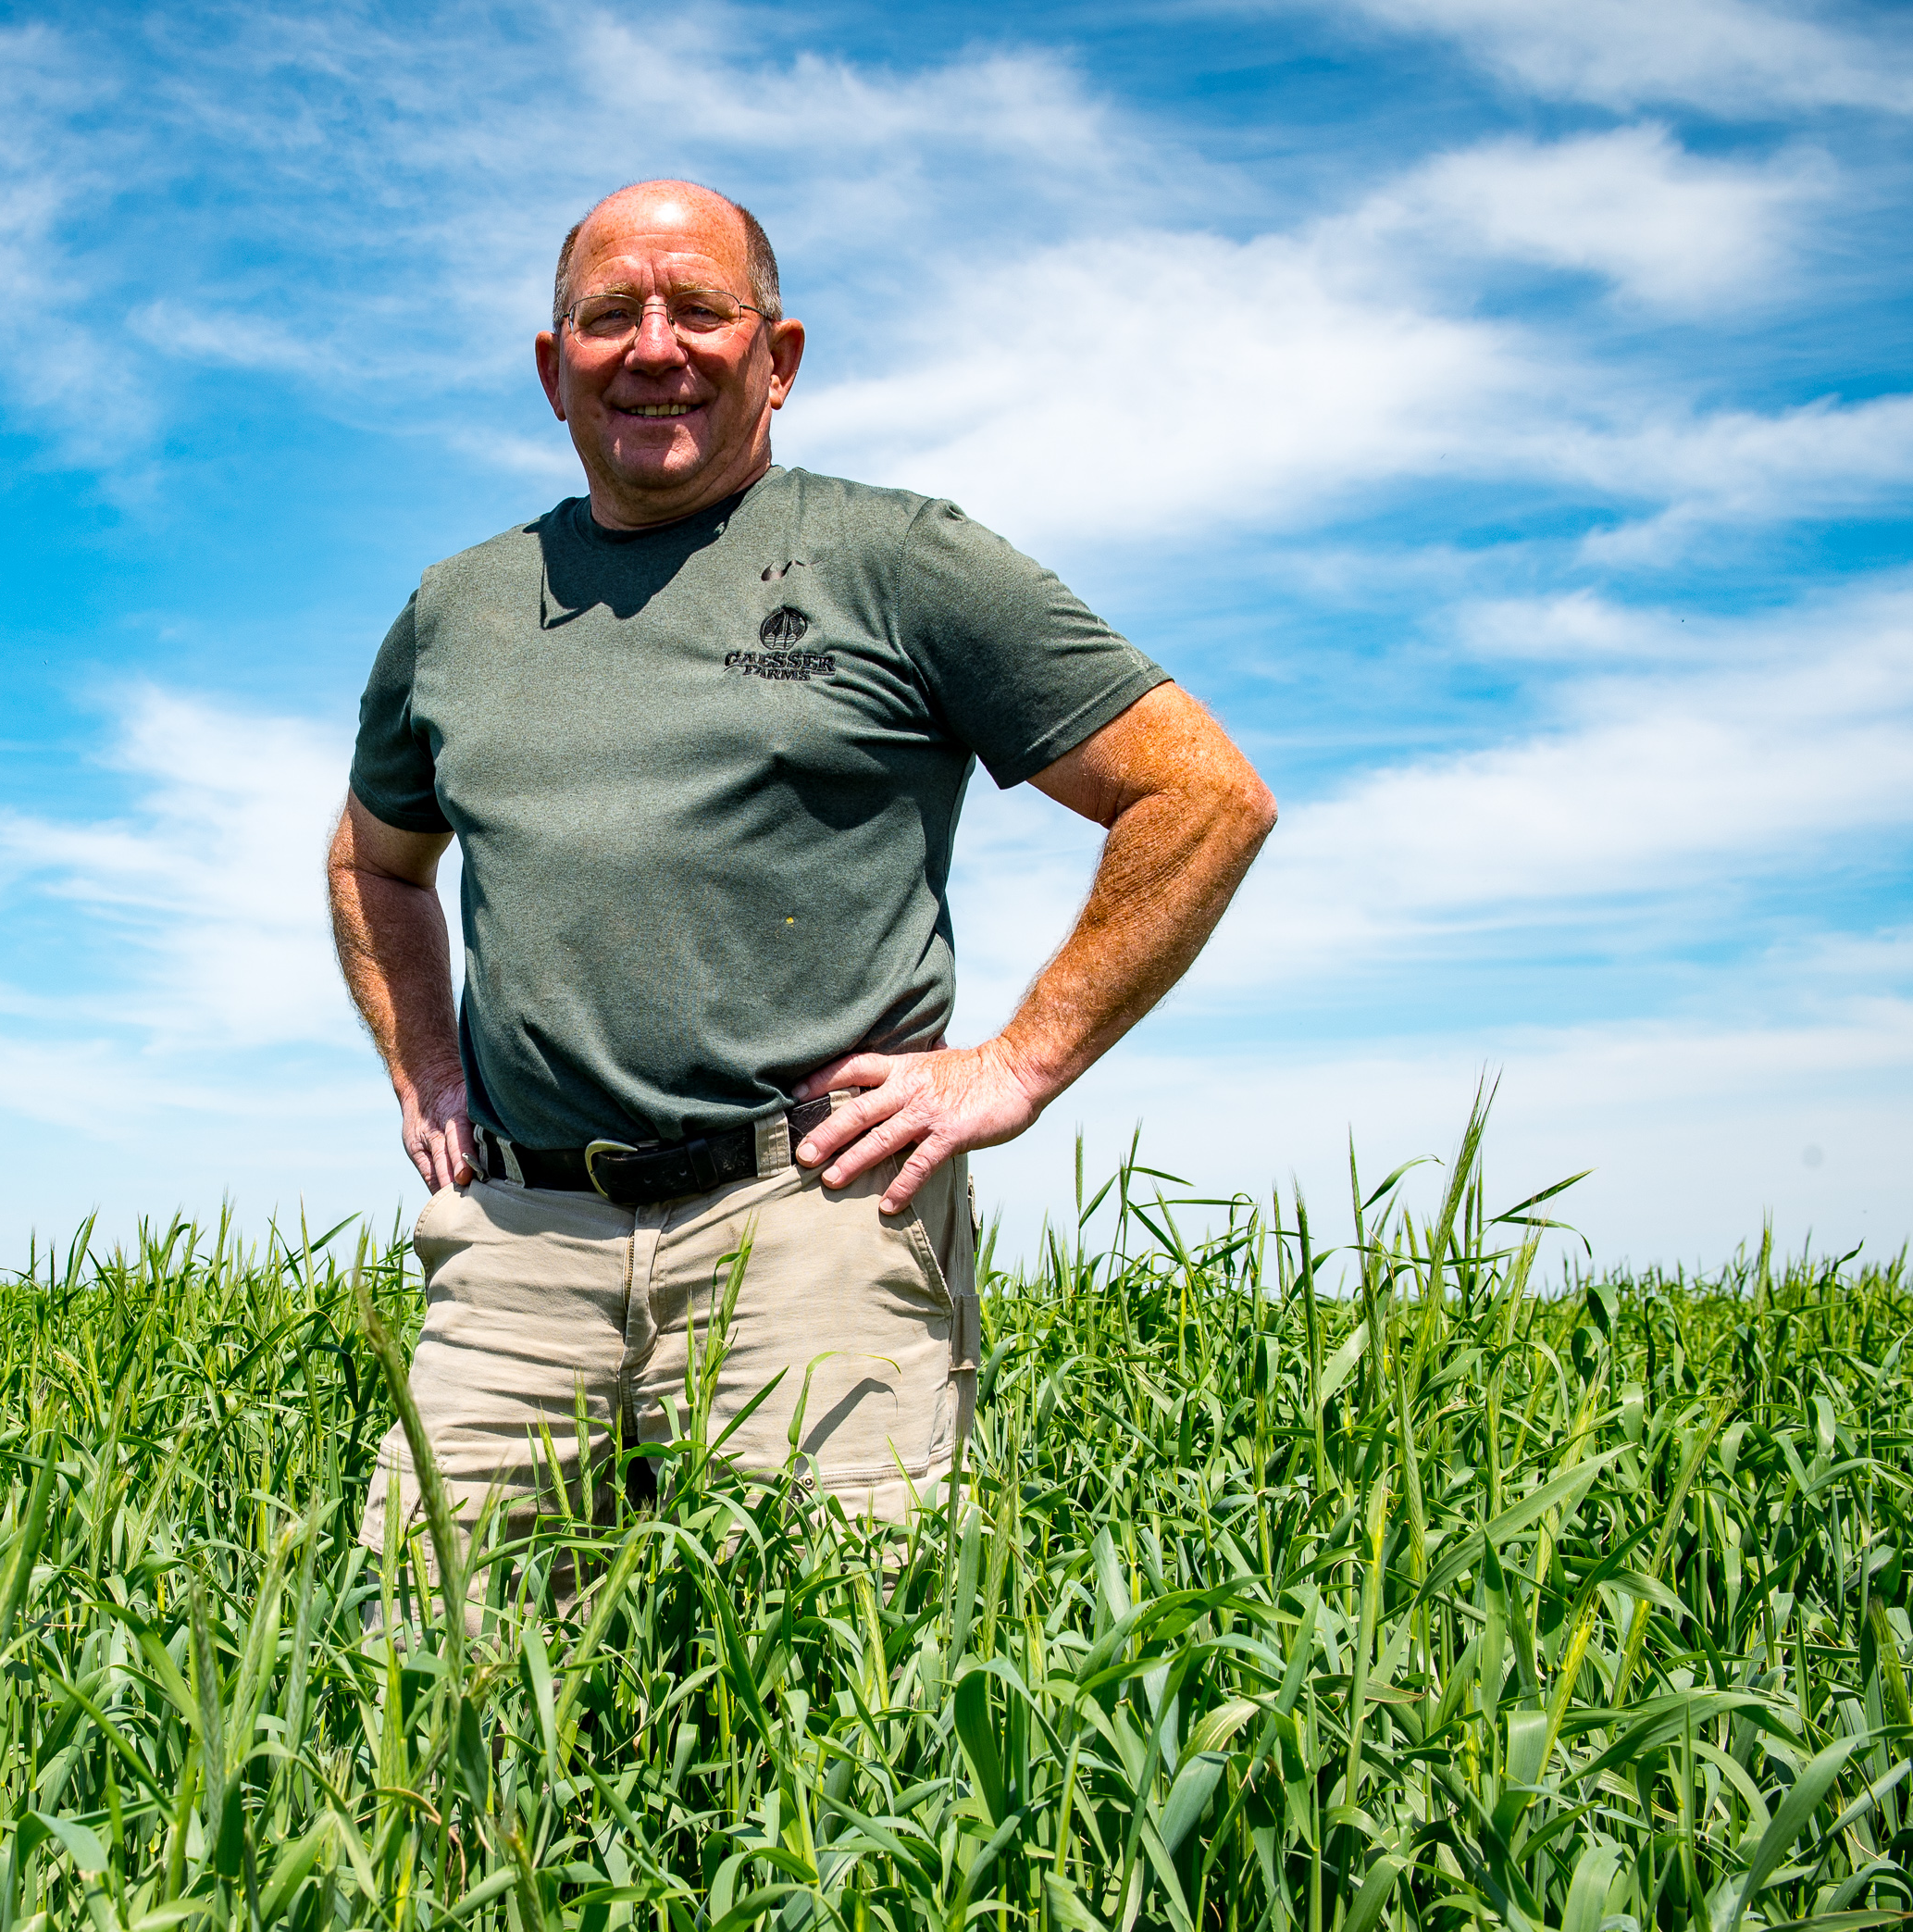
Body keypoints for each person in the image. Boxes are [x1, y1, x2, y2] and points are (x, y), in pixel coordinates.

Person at [326, 178, 1274, 1585]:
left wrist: (1015, 1065)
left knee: (839, 1715)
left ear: (778, 356)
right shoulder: (458, 608)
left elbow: (1199, 794)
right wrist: (425, 1068)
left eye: (701, 309)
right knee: (421, 1692)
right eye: (608, 317)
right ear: (552, 369)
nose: (655, 346)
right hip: (523, 1242)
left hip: (812, 1223)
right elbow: (373, 860)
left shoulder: (897, 560)